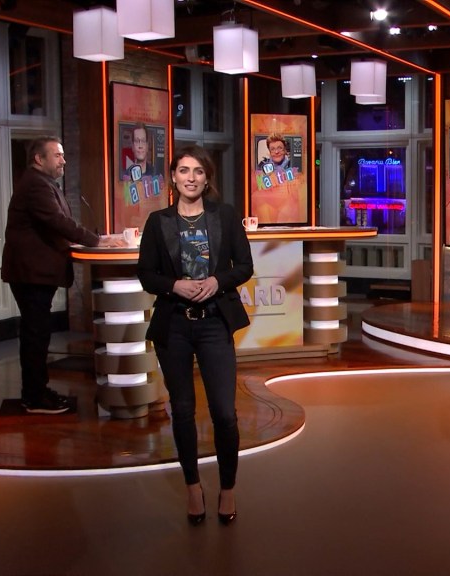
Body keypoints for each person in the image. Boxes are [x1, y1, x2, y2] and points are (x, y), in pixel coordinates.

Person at [138, 145, 254, 526]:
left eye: (198, 171)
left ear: (207, 179)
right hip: (174, 324)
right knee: (183, 410)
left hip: (214, 323)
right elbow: (146, 274)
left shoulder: (225, 216)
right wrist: (174, 285)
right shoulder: (158, 222)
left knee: (224, 413)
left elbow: (244, 266)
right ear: (173, 177)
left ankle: (227, 487)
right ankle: (192, 487)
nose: (191, 178)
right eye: (184, 171)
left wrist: (218, 280)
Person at [1, 136, 123, 414]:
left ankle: (37, 391)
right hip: (30, 274)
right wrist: (97, 241)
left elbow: (60, 223)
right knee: (35, 335)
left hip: (34, 273)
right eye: (57, 155)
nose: (64, 161)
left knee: (38, 334)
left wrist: (95, 239)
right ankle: (34, 398)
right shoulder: (35, 185)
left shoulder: (42, 183)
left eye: (63, 155)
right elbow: (58, 222)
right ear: (39, 159)